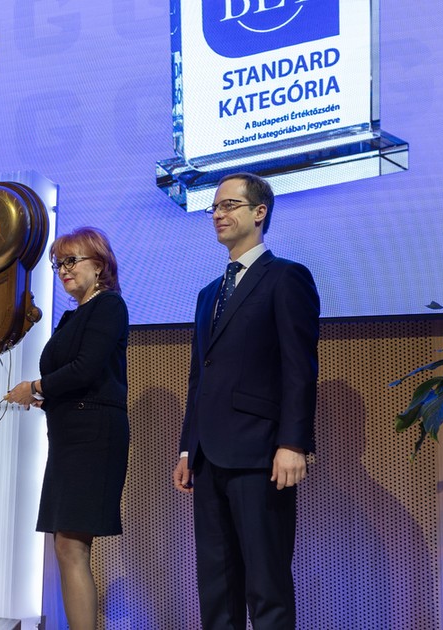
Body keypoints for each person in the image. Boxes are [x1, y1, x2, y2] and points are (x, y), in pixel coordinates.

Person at [171, 173, 320, 630]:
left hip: (260, 454)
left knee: (266, 585)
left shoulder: (286, 277)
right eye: (214, 207)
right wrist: (187, 448)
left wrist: (293, 443)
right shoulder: (207, 295)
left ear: (259, 212)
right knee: (216, 587)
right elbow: (200, 377)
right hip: (208, 456)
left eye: (229, 205)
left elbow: (299, 367)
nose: (218, 214)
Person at [6, 227, 130, 630]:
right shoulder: (72, 316)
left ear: (100, 264)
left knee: (71, 545)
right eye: (59, 263)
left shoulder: (109, 306)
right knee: (66, 545)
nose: (63, 270)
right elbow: (74, 377)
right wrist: (49, 398)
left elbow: (85, 369)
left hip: (93, 436)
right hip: (69, 434)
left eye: (71, 261)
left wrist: (34, 388)